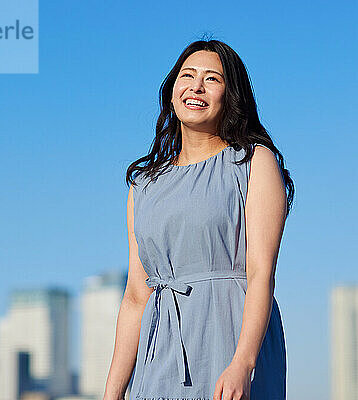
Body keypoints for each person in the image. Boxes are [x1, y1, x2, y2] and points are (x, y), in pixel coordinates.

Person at [104, 39, 295, 400]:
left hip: (230, 340)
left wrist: (243, 362)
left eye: (212, 79)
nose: (196, 86)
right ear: (173, 90)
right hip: (160, 350)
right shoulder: (143, 186)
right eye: (187, 76)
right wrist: (113, 390)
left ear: (231, 95)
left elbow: (261, 273)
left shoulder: (254, 163)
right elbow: (134, 296)